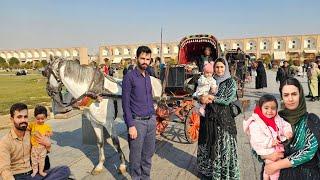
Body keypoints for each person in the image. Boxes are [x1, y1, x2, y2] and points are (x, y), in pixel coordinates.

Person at [262, 78, 320, 180]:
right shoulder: (275, 119)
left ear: (300, 94)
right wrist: (267, 156)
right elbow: (258, 145)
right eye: (286, 95)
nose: (290, 99)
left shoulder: (311, 120)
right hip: (278, 175)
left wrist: (277, 165)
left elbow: (309, 151)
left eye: (294, 94)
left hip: (305, 175)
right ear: (282, 97)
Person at [0, 103, 70, 180]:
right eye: (19, 117)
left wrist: (48, 145)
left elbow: (43, 151)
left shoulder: (32, 134)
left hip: (34, 173)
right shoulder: (5, 142)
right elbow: (4, 169)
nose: (23, 120)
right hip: (18, 176)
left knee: (64, 170)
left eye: (25, 117)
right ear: (12, 119)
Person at [197, 58, 240, 179]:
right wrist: (201, 98)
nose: (219, 69)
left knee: (223, 147)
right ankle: (208, 172)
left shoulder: (231, 82)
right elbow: (199, 92)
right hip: (209, 118)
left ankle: (224, 174)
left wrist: (211, 97)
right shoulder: (210, 80)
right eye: (217, 67)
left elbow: (226, 99)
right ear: (213, 68)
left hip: (224, 119)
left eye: (221, 67)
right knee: (208, 143)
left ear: (225, 68)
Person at [122, 46, 156, 180]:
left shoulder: (147, 76)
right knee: (136, 159)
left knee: (148, 156)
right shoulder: (129, 77)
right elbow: (125, 104)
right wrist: (130, 125)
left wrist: (153, 117)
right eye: (142, 58)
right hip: (137, 123)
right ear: (136, 58)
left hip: (150, 121)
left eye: (147, 59)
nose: (145, 62)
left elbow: (149, 98)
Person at [243, 94, 293, 180]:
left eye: (273, 108)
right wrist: (270, 142)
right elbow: (257, 139)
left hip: (276, 148)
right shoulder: (256, 123)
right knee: (274, 168)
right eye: (266, 108)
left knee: (270, 167)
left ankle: (266, 176)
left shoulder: (277, 118)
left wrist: (287, 131)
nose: (270, 111)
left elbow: (284, 124)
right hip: (266, 149)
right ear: (260, 107)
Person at [28, 105, 53, 177]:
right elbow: (28, 128)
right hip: (34, 147)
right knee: (34, 161)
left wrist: (48, 133)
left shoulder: (46, 126)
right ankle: (35, 170)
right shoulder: (33, 125)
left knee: (42, 161)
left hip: (43, 148)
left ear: (45, 117)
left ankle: (41, 171)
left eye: (42, 119)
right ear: (35, 117)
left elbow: (51, 133)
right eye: (38, 119)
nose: (40, 120)